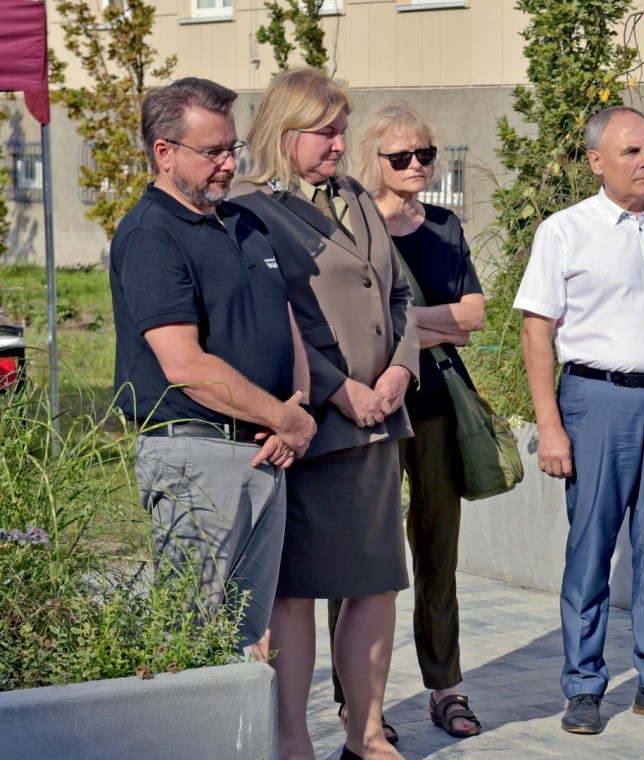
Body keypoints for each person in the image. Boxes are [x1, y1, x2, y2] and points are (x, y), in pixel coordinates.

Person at [514, 105, 644, 736]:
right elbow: (536, 332)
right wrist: (549, 425)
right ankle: (584, 686)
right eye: (631, 152)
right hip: (596, 402)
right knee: (591, 551)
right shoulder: (565, 232)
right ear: (596, 160)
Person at [229, 68, 418, 760]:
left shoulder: (356, 198)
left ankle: (366, 732)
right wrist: (342, 390)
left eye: (343, 129)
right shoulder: (251, 207)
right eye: (327, 131)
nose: (341, 143)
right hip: (315, 428)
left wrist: (400, 367)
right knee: (295, 595)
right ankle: (291, 738)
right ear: (285, 132)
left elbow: (397, 295)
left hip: (380, 423)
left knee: (376, 582)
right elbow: (275, 319)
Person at [109, 77, 317, 651]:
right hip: (195, 455)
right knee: (190, 636)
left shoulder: (243, 223)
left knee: (241, 635)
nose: (228, 165)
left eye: (233, 149)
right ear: (164, 151)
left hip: (262, 449)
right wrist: (286, 419)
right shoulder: (151, 235)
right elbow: (184, 364)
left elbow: (287, 322)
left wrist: (290, 415)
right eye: (213, 152)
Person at [325, 102, 485, 739]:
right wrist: (434, 324)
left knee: (438, 549)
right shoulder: (350, 230)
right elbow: (339, 322)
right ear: (373, 160)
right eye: (401, 157)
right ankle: (355, 701)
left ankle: (445, 686)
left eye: (426, 154)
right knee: (361, 555)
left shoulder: (444, 226)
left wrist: (395, 323)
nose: (417, 165)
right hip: (370, 405)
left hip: (437, 405)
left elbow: (473, 319)